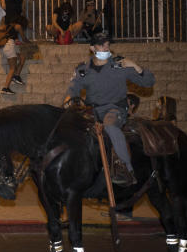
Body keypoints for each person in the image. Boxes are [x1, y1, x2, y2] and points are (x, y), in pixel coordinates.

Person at [63, 32, 156, 185]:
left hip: (115, 109)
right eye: (101, 44)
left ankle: (126, 168)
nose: (106, 47)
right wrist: (68, 101)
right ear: (92, 48)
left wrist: (135, 66)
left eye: (107, 44)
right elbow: (72, 90)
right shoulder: (83, 70)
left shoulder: (120, 64)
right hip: (91, 111)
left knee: (110, 127)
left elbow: (148, 82)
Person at [0, 24, 26, 96]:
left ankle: (16, 76)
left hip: (6, 48)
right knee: (12, 69)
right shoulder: (15, 28)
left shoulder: (7, 28)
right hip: (9, 47)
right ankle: (5, 88)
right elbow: (21, 39)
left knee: (22, 57)